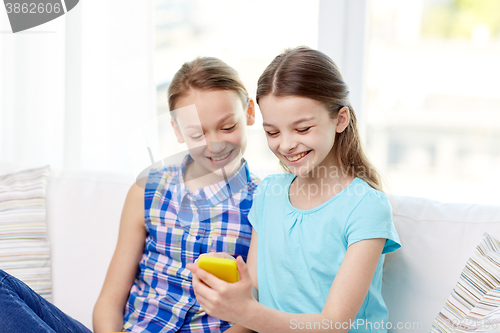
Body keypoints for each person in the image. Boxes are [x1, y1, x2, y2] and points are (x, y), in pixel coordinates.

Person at [0, 56, 259, 333]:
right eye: (197, 134)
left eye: (228, 127)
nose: (214, 144)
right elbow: (110, 301)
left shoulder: (264, 203)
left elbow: (253, 314)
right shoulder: (147, 189)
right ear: (177, 130)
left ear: (250, 113)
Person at [188, 46, 402, 333]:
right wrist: (236, 296)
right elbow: (255, 302)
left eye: (302, 129)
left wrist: (248, 312)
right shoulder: (268, 194)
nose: (286, 145)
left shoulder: (366, 206)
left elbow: (334, 324)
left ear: (340, 119)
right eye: (272, 132)